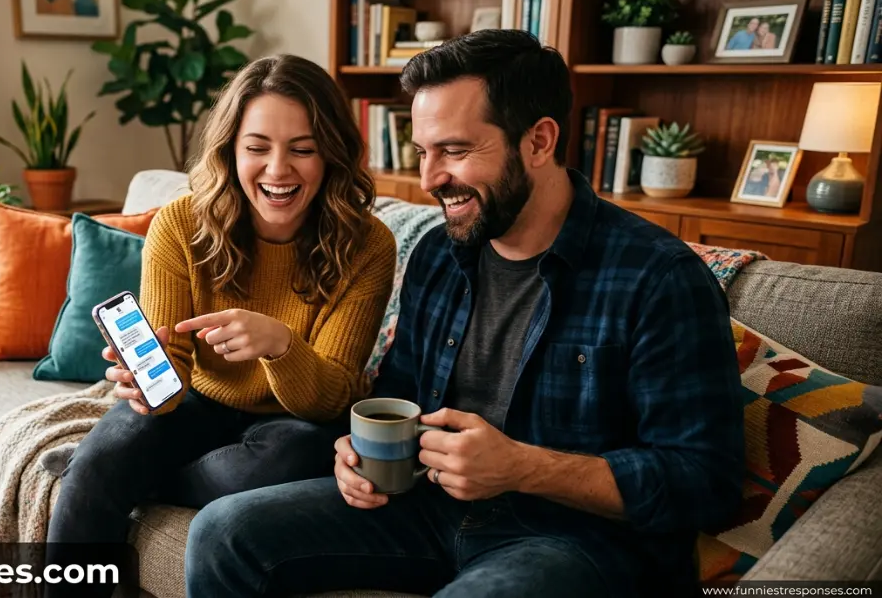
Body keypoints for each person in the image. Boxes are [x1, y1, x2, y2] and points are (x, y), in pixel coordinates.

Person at [185, 30, 745, 598]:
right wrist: (357, 450)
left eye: (453, 151)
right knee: (223, 532)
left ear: (539, 141)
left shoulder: (658, 278)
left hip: (571, 536)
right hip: (427, 506)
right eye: (423, 152)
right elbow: (398, 392)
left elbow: (706, 481)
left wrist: (522, 466)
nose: (430, 179)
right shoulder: (438, 254)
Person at [43, 54, 397, 596]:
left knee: (300, 457)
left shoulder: (367, 244)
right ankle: (103, 470)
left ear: (332, 153)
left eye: (303, 149)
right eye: (257, 148)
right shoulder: (181, 224)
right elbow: (170, 375)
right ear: (230, 150)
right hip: (196, 401)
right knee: (105, 458)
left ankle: (128, 476)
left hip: (293, 422)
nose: (278, 170)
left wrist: (281, 345)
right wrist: (148, 386)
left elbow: (332, 397)